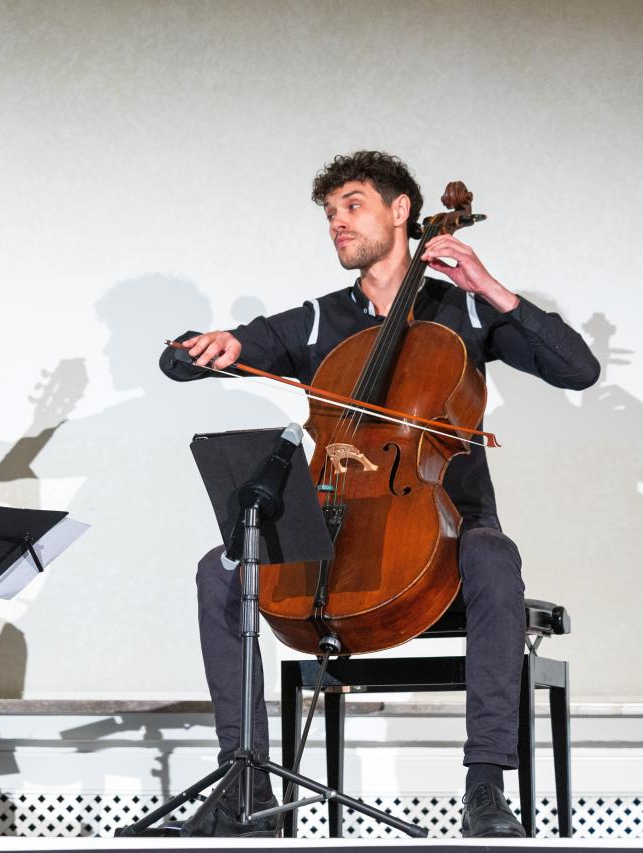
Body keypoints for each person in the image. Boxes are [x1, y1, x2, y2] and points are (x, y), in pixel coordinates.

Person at [160, 151, 599, 838]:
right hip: (333, 524)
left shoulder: (465, 310)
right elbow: (184, 362)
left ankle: (485, 785)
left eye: (352, 205)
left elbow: (580, 369)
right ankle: (245, 785)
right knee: (219, 570)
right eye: (330, 213)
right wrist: (206, 347)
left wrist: (490, 287)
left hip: (443, 533)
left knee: (494, 556)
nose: (337, 222)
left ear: (401, 212)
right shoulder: (318, 320)